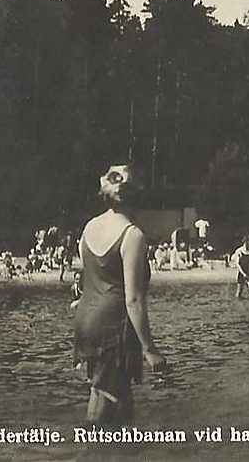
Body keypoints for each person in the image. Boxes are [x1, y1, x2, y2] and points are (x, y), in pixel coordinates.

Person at [73, 164, 166, 426]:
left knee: (120, 396)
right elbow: (133, 300)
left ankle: (127, 451)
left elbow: (88, 274)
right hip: (114, 327)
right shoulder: (132, 235)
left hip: (86, 318)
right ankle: (90, 452)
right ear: (136, 196)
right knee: (101, 404)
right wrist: (150, 349)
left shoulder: (90, 226)